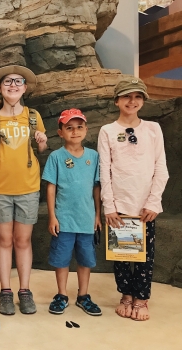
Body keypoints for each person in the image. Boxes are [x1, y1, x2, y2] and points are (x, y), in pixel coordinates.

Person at [0, 65, 48, 315]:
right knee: (4, 239)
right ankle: (5, 290)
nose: (13, 85)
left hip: (28, 186)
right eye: (8, 82)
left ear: (25, 88)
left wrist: (42, 143)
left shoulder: (33, 116)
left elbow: (40, 150)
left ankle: (25, 290)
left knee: (23, 240)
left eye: (18, 81)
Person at [98, 77, 169, 321]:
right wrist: (110, 206)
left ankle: (141, 298)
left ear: (143, 101)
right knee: (121, 255)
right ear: (117, 100)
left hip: (144, 207)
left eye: (137, 96)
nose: (132, 101)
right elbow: (104, 171)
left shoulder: (152, 129)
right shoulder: (107, 131)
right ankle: (126, 295)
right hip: (119, 207)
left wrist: (153, 202)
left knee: (145, 257)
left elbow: (161, 167)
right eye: (127, 96)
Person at [41, 109, 102, 316]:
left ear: (86, 129)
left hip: (86, 220)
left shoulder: (93, 157)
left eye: (79, 127)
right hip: (64, 220)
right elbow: (51, 188)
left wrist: (97, 215)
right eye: (69, 128)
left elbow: (96, 187)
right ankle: (61, 295)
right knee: (62, 259)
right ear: (60, 132)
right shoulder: (56, 157)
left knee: (86, 260)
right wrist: (52, 216)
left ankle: (83, 296)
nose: (75, 132)